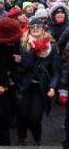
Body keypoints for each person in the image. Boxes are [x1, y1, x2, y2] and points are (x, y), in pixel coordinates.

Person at [16, 18, 60, 146]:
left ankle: (37, 138)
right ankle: (21, 138)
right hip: (24, 85)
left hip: (41, 87)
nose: (35, 28)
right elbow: (25, 66)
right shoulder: (23, 44)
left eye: (38, 26)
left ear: (43, 28)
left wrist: (53, 87)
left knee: (34, 118)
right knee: (22, 114)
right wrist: (33, 49)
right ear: (29, 28)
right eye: (33, 26)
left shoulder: (51, 47)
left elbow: (56, 71)